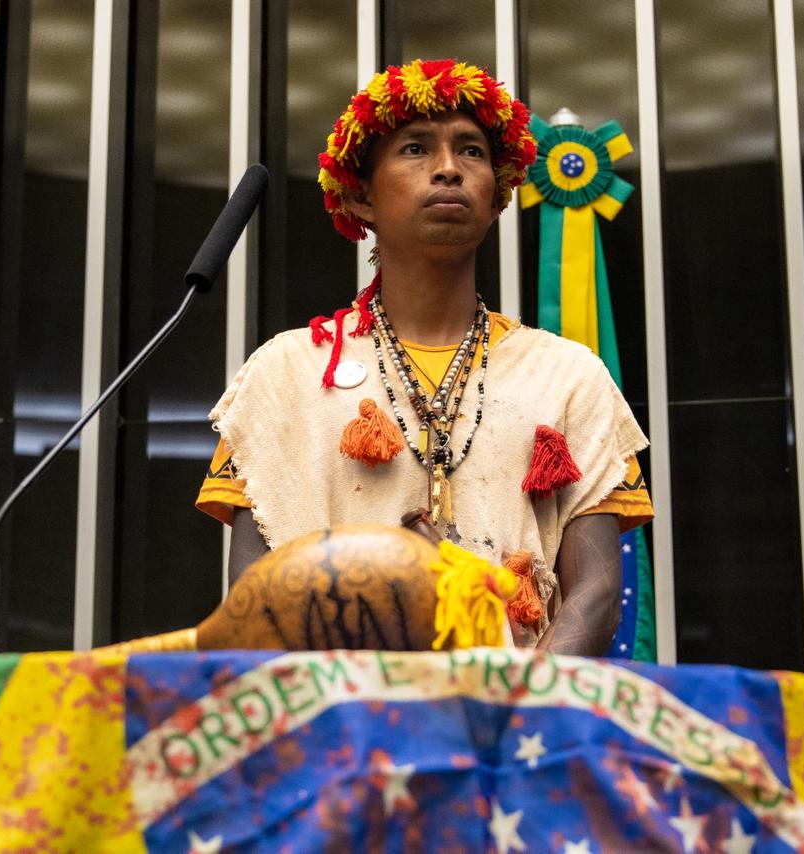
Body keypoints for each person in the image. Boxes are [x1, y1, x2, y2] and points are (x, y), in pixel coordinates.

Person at [196, 60, 652, 656]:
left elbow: (594, 593)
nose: (447, 169)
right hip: (338, 728)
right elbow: (253, 595)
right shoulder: (283, 373)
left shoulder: (568, 376)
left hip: (512, 730)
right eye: (414, 149)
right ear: (359, 195)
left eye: (471, 152)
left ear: (497, 196)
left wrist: (514, 705)